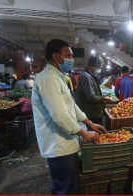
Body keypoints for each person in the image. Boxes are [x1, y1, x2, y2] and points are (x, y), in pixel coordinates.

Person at [31, 39, 106, 195]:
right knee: (66, 189)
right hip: (58, 146)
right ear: (56, 56)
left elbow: (71, 105)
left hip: (65, 143)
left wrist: (89, 123)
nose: (72, 60)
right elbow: (60, 116)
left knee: (63, 186)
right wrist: (85, 133)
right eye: (68, 55)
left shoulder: (58, 77)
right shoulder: (49, 79)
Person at [76, 55, 112, 127]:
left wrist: (102, 96)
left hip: (93, 112)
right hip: (91, 113)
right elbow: (90, 97)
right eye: (100, 67)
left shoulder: (90, 76)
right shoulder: (86, 77)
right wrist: (104, 99)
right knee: (95, 135)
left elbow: (92, 93)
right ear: (96, 66)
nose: (100, 70)